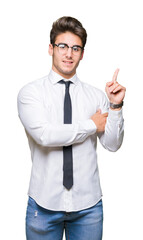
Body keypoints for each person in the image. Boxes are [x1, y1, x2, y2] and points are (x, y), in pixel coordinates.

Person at [17, 16, 126, 240]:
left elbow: (112, 145)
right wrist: (90, 125)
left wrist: (115, 106)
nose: (69, 54)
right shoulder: (31, 93)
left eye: (76, 48)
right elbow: (45, 135)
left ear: (82, 54)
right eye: (63, 46)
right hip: (44, 204)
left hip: (88, 207)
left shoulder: (96, 96)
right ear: (51, 48)